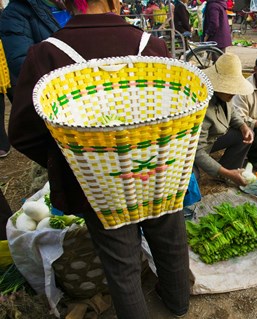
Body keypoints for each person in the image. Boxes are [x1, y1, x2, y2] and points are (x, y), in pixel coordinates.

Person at [9, 0, 191, 317]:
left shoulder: (47, 53)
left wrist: (74, 160)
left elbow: (23, 133)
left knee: (120, 264)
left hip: (98, 183)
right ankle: (177, 303)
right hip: (158, 169)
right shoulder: (153, 45)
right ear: (115, 2)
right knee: (170, 239)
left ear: (65, 3)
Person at [194, 53, 255, 186]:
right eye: (229, 89)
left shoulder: (224, 95)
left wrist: (243, 126)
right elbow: (196, 151)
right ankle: (226, 173)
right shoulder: (202, 105)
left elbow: (232, 112)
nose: (233, 93)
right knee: (193, 179)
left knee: (244, 134)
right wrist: (225, 172)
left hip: (212, 140)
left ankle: (228, 171)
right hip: (190, 151)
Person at [0, 0, 69, 92]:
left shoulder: (78, 6)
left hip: (87, 87)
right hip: (54, 94)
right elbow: (22, 64)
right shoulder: (16, 13)